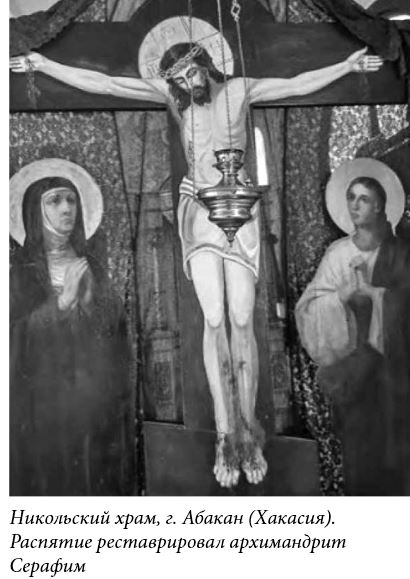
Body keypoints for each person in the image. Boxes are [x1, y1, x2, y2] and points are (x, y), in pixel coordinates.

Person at [10, 41, 383, 488]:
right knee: (214, 318)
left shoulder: (239, 91)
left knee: (242, 319)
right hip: (199, 207)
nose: (186, 85)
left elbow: (297, 83)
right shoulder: (176, 101)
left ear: (204, 65)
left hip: (240, 203)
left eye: (190, 74)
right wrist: (45, 64)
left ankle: (248, 426)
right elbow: (107, 83)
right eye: (178, 81)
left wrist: (347, 65)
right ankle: (226, 435)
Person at [10, 175, 133, 495]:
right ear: (35, 212)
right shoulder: (19, 274)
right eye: (54, 201)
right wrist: (61, 305)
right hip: (44, 406)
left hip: (92, 399)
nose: (66, 208)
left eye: (71, 199)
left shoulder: (93, 267)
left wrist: (90, 303)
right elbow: (12, 340)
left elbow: (116, 333)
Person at [296, 175, 410, 495]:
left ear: (380, 206)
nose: (355, 205)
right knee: (360, 459)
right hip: (356, 374)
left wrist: (376, 296)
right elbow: (308, 309)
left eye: (364, 199)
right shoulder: (337, 254)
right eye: (350, 197)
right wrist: (340, 298)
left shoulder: (401, 253)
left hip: (397, 374)